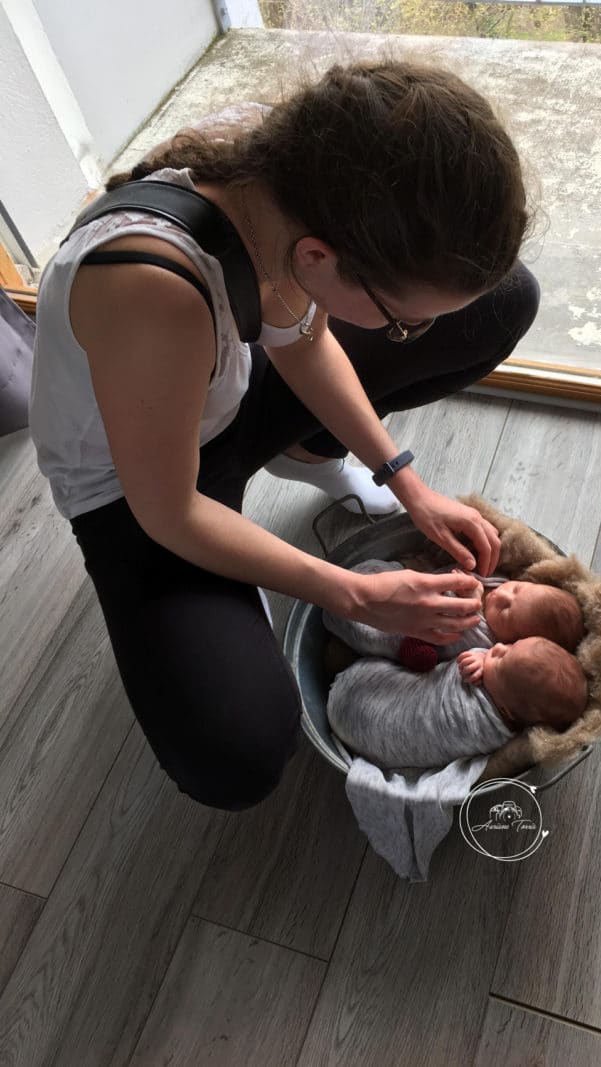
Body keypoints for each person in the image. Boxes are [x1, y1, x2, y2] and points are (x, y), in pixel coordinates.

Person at [27, 59, 542, 812]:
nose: (414, 336)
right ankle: (216, 582)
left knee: (504, 299)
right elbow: (169, 511)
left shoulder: (296, 173)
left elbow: (300, 337)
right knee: (237, 752)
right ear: (317, 259)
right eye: (405, 320)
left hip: (222, 389)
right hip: (138, 487)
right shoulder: (153, 289)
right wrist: (356, 593)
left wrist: (407, 481)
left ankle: (305, 451)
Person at [325, 636, 588, 770]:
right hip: (358, 734)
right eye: (510, 644)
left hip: (358, 688)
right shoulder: (510, 714)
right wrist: (494, 666)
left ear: (506, 710)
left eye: (500, 659)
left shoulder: (479, 716)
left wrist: (479, 658)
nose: (496, 647)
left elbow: (456, 666)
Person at [321, 558, 585, 660]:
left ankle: (339, 616)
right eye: (517, 589)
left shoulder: (488, 643)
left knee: (373, 639)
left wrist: (470, 599)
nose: (502, 595)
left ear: (511, 641)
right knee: (381, 573)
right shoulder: (500, 582)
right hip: (396, 588)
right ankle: (340, 588)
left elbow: (460, 637)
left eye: (506, 611)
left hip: (403, 635)